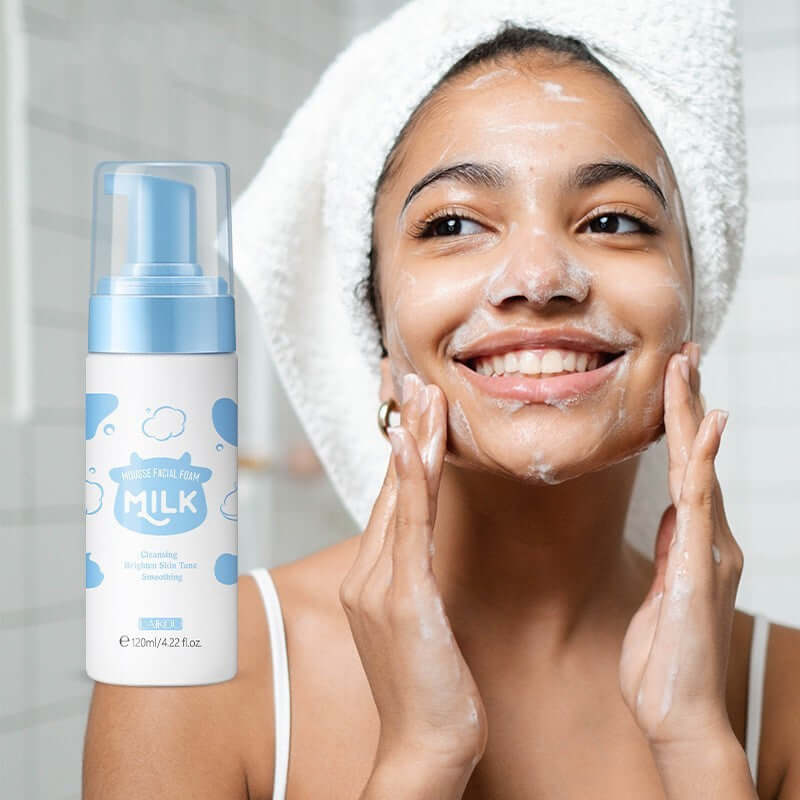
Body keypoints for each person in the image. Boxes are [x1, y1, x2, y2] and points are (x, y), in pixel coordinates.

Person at [83, 14, 800, 800]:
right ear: (377, 335)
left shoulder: (784, 697)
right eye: (452, 223)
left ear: (696, 305)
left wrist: (699, 746)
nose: (539, 274)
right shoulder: (193, 671)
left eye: (612, 220)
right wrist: (421, 759)